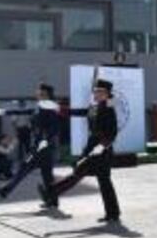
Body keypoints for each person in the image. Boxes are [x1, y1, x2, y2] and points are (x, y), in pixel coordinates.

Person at [40, 79, 121, 222]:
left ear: (106, 94)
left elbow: (112, 133)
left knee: (79, 172)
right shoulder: (95, 107)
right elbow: (81, 112)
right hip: (93, 147)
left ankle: (51, 192)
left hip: (101, 151)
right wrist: (62, 110)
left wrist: (100, 148)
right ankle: (113, 213)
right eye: (95, 91)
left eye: (99, 91)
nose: (95, 93)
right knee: (104, 182)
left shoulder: (109, 108)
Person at [0, 83, 61, 200]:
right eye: (38, 92)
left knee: (25, 167)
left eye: (40, 92)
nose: (37, 94)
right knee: (47, 175)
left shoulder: (49, 108)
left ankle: (6, 190)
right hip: (43, 148)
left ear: (45, 94)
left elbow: (54, 128)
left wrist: (44, 141)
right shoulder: (41, 107)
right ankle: (53, 201)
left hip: (41, 148)